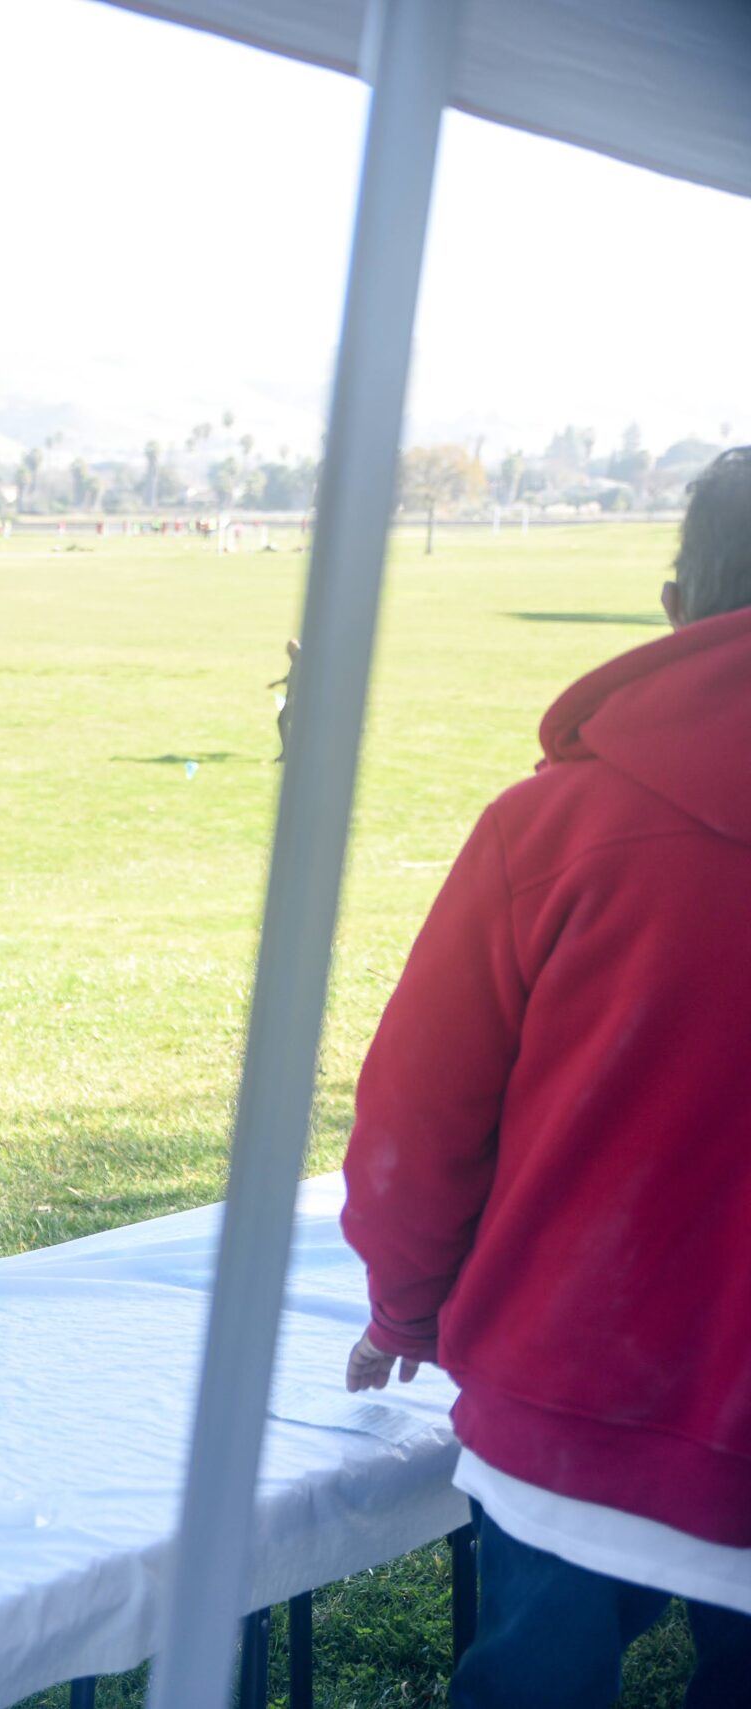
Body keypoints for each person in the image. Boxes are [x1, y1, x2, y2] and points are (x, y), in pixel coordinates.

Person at [341, 447, 751, 1706]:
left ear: (677, 601)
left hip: (573, 1400)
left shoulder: (552, 827)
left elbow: (420, 1115)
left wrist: (405, 1305)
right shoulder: (553, 820)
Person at [268, 637, 299, 761]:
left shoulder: (299, 660)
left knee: (282, 721)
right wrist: (277, 682)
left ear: (292, 650)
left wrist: (292, 697)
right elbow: (291, 677)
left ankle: (287, 753)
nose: (288, 655)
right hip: (295, 699)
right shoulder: (299, 659)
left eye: (289, 652)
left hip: (295, 700)